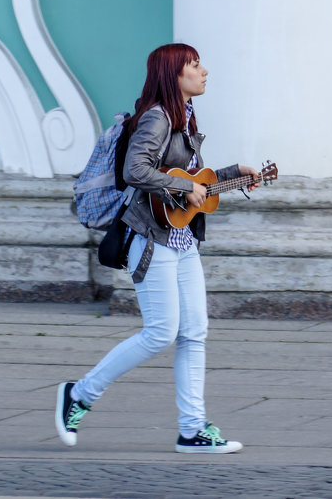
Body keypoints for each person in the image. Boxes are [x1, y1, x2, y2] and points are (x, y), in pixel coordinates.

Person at [56, 43, 261, 454]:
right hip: (149, 240)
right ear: (174, 74)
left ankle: (192, 429)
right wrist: (187, 187)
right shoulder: (157, 117)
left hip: (180, 240)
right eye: (195, 65)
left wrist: (233, 174)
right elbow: (137, 171)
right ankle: (78, 394)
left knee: (194, 332)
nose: (205, 72)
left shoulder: (184, 118)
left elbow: (188, 178)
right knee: (161, 333)